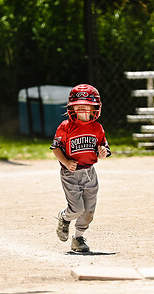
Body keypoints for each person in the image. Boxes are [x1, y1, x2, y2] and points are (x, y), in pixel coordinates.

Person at [50, 84, 111, 252]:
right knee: (77, 209)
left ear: (95, 107)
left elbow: (104, 148)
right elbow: (55, 148)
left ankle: (78, 239)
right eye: (79, 105)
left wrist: (103, 152)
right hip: (70, 173)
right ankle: (64, 217)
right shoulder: (65, 127)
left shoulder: (97, 128)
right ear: (72, 107)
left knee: (89, 210)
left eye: (87, 105)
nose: (83, 108)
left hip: (90, 173)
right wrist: (65, 162)